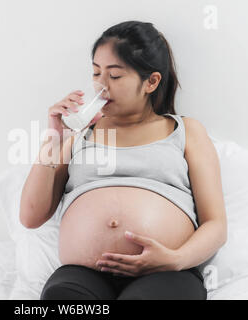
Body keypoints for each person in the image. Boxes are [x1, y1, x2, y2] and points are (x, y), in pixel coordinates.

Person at [20, 21, 227, 300]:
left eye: (115, 76)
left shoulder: (186, 131)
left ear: (151, 82)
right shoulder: (79, 134)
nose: (101, 86)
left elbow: (215, 224)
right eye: (96, 73)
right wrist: (54, 138)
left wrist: (176, 258)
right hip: (82, 274)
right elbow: (31, 216)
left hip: (166, 274)